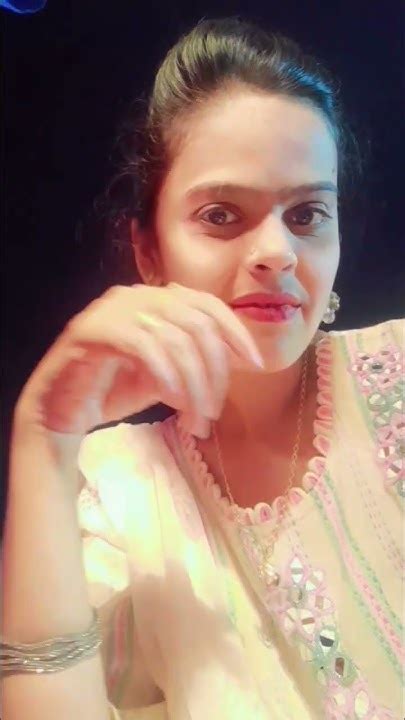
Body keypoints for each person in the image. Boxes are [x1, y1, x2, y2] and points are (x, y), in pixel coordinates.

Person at [1, 15, 403, 720]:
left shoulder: (395, 375)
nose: (277, 252)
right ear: (149, 253)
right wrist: (43, 438)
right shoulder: (118, 489)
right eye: (221, 215)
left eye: (308, 214)